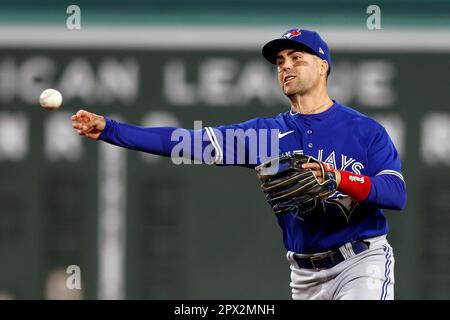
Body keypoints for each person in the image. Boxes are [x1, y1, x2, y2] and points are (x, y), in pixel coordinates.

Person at [71, 28, 406, 300]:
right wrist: (111, 130)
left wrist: (336, 177)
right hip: (305, 277)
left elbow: (395, 193)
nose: (285, 66)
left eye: (296, 58)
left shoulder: (363, 131)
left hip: (361, 262)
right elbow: (186, 142)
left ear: (323, 66)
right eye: (279, 61)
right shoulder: (266, 136)